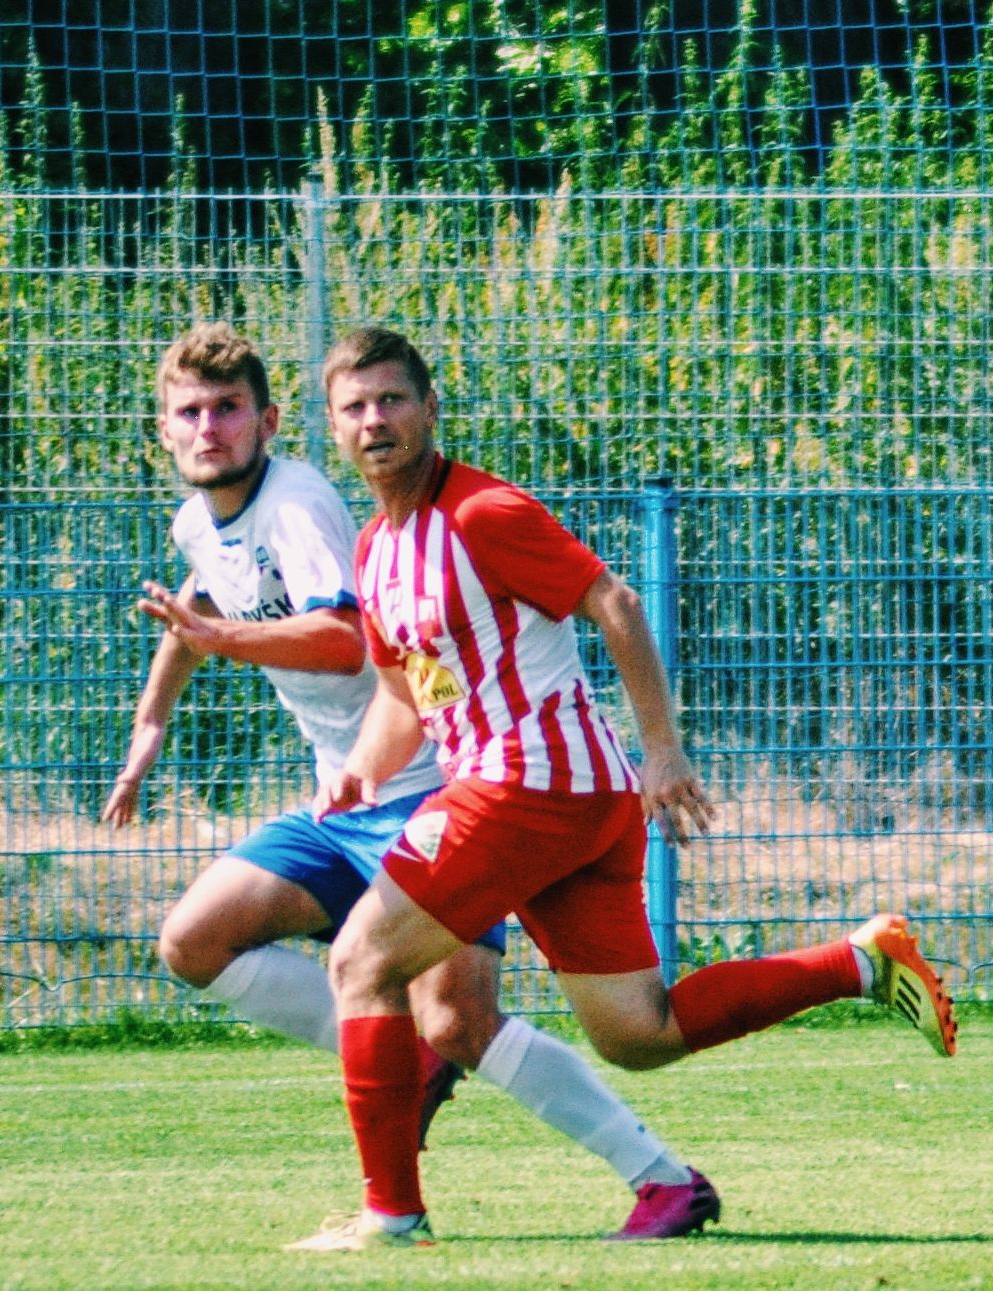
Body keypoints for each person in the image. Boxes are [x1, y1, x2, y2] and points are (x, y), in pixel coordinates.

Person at [284, 327, 958, 1253]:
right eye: (354, 407)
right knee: (640, 1032)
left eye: (392, 400)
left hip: (530, 786)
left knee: (361, 963)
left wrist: (664, 752)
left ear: (430, 409)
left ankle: (390, 1216)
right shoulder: (376, 547)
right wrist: (363, 766)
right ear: (332, 427)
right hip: (568, 800)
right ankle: (861, 962)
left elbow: (616, 603)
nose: (375, 421)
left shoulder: (482, 514)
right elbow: (409, 689)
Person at [107, 323, 705, 1239]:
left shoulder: (301, 506)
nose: (208, 430)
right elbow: (199, 604)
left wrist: (227, 643)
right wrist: (151, 723)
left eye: (227, 410)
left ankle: (648, 1177)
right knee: (193, 942)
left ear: (269, 423)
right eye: (188, 413)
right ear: (163, 432)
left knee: (461, 1021)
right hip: (349, 787)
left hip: (433, 788)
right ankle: (395, 1063)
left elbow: (347, 639)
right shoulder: (202, 520)